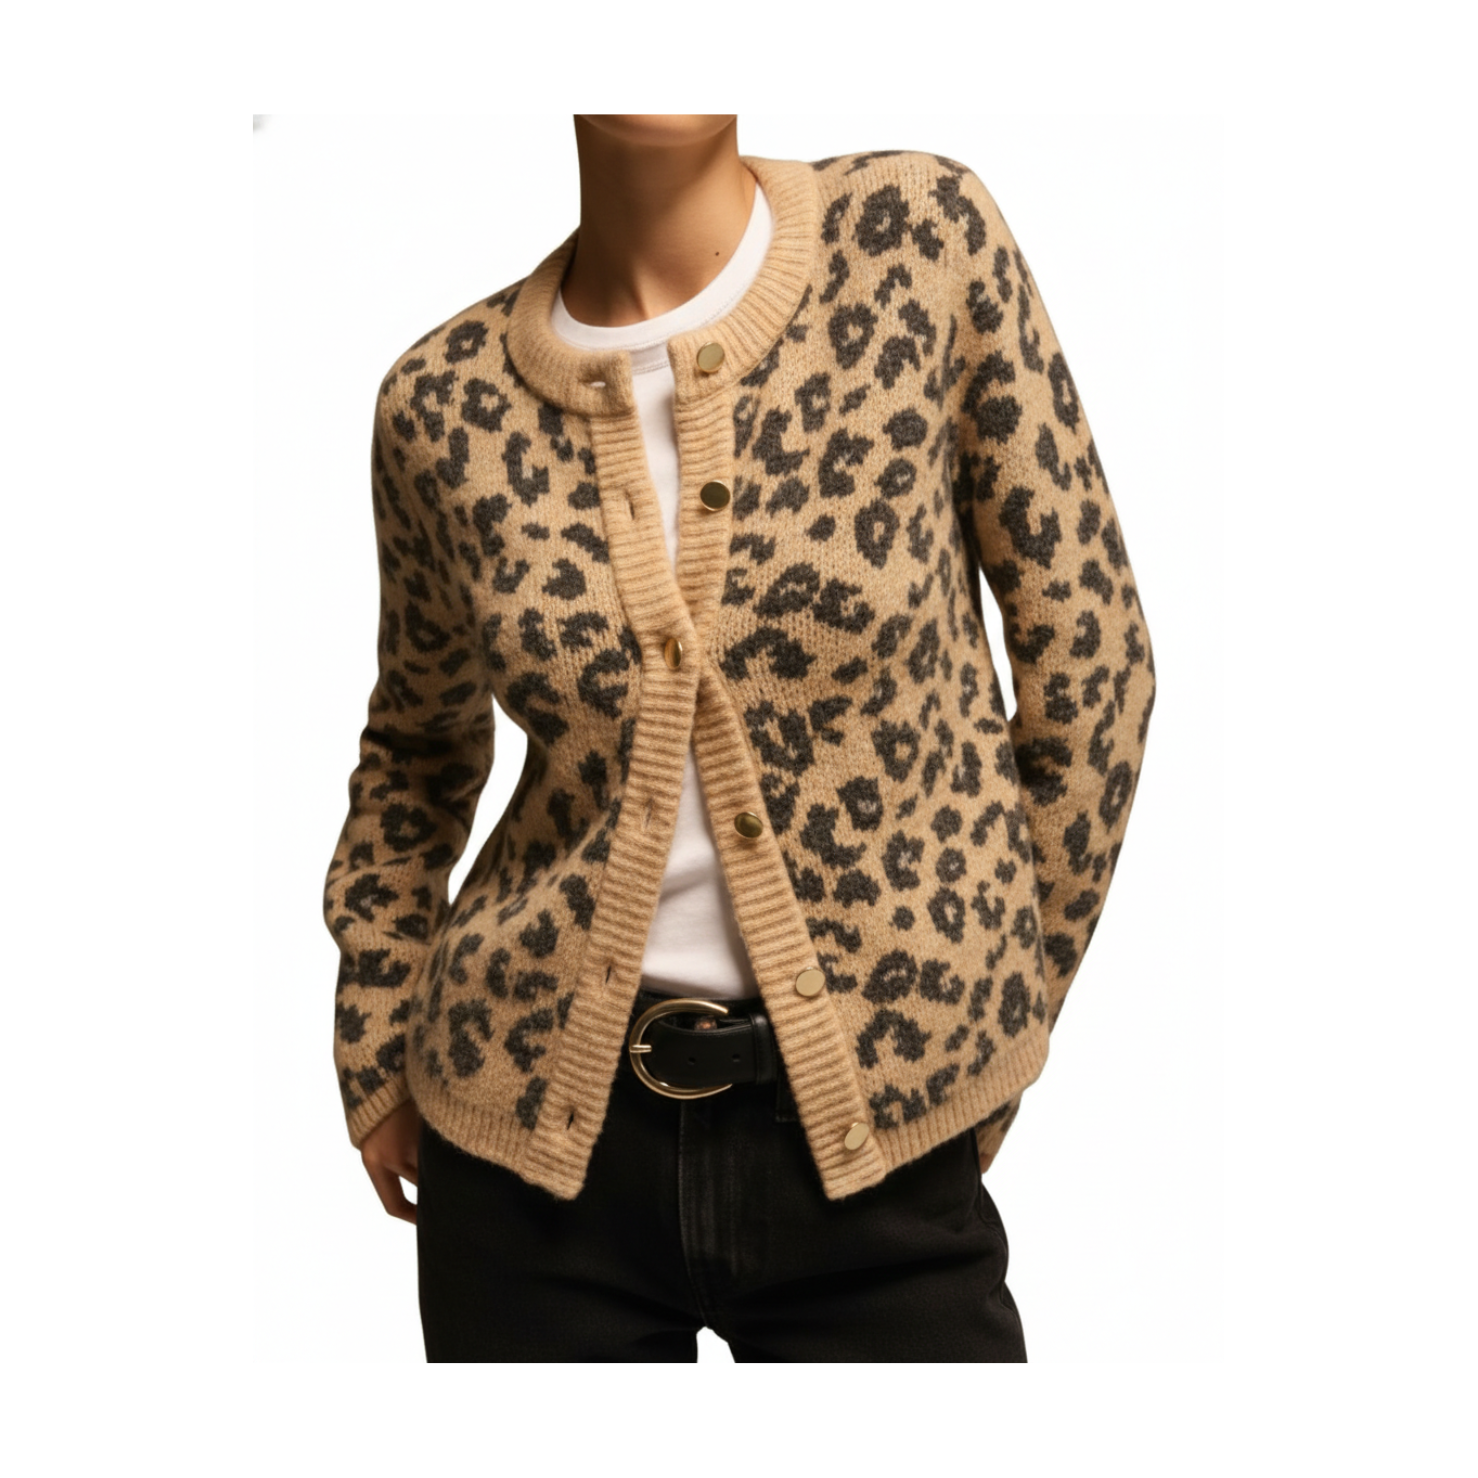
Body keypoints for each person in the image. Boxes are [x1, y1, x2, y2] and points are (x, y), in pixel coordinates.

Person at [325, 114, 1157, 1361]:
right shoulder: (439, 402)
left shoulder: (916, 240)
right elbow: (412, 754)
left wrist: (984, 1028)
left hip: (881, 1166)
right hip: (525, 1168)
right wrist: (376, 1039)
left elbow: (1091, 659)